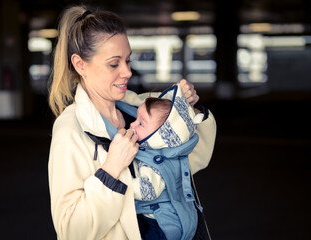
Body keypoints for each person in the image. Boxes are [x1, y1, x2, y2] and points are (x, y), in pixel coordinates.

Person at [48, 4, 217, 240]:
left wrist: (189, 112)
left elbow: (192, 161)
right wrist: (111, 170)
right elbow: (71, 231)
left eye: (128, 60)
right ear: (80, 65)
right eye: (114, 64)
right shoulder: (70, 130)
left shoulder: (141, 106)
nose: (127, 72)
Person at [115, 85, 207, 240]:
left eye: (141, 123)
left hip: (161, 224)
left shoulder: (156, 162)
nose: (132, 125)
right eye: (136, 119)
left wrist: (120, 182)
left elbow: (149, 190)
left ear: (161, 136)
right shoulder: (165, 151)